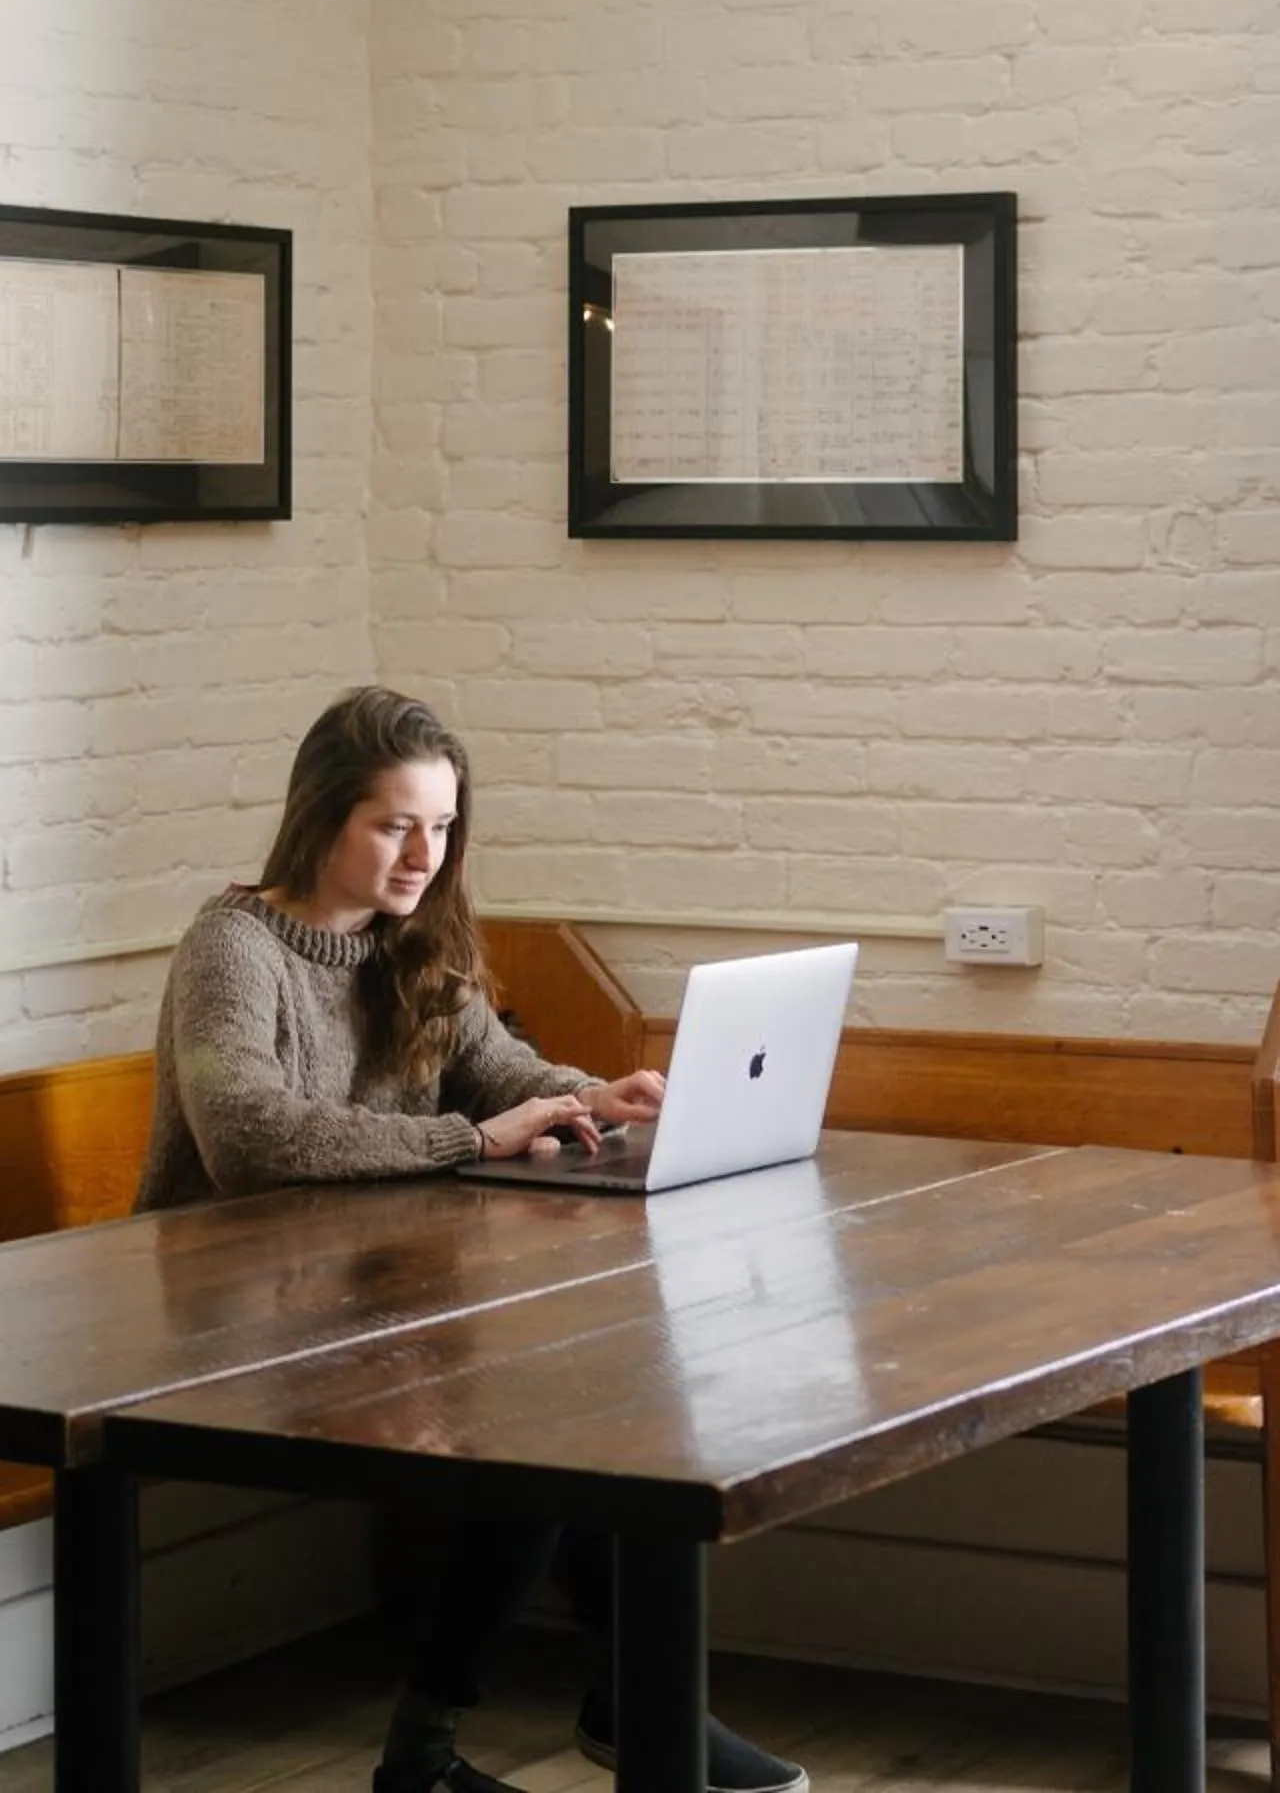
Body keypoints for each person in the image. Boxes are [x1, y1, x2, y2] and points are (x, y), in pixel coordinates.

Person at [138, 685, 807, 1793]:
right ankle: (448, 1747)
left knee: (599, 1407)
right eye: (395, 825)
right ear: (320, 818)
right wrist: (474, 1139)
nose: (422, 854)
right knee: (539, 1431)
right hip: (233, 1314)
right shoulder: (232, 946)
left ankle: (607, 1710)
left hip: (374, 1290)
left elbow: (492, 1069)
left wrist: (592, 1093)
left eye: (441, 827)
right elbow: (245, 1138)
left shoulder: (415, 940)